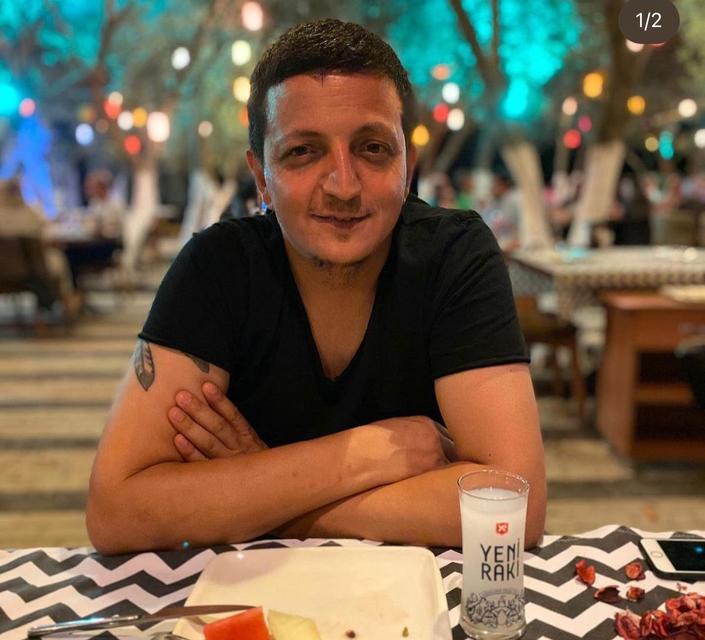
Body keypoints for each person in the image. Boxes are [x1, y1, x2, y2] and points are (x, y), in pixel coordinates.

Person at [86, 19, 546, 554]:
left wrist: (265, 495)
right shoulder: (217, 267)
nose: (343, 186)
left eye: (373, 148)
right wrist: (364, 456)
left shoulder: (455, 254)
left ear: (408, 167)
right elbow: (116, 511)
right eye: (303, 151)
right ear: (262, 178)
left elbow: (516, 507)